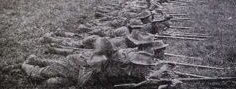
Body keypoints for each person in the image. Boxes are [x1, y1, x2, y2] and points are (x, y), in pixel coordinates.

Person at [22, 38, 168, 88]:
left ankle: (36, 60)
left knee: (54, 81)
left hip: (84, 70)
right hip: (81, 67)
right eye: (144, 67)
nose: (145, 69)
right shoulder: (119, 69)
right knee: (42, 73)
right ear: (134, 65)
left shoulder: (127, 64)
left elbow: (144, 79)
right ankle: (26, 65)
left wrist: (158, 73)